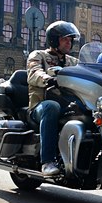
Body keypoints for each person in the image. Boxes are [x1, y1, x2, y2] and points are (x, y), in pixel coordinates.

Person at [27, 20, 80, 176]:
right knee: (52, 106)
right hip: (41, 106)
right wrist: (48, 79)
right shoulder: (38, 55)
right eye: (65, 39)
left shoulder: (73, 61)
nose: (69, 43)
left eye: (70, 40)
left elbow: (88, 74)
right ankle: (47, 161)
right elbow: (34, 73)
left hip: (68, 105)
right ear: (54, 39)